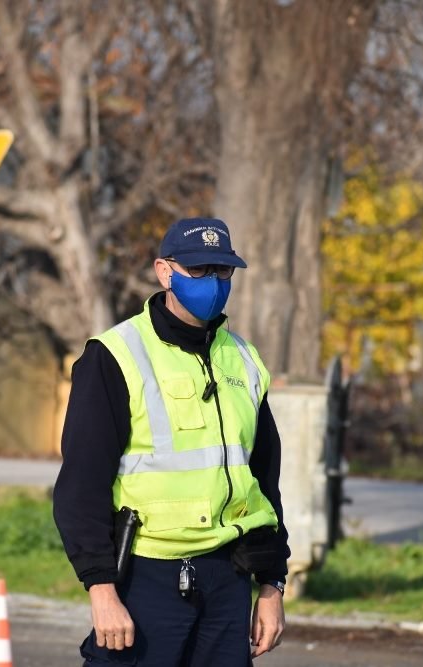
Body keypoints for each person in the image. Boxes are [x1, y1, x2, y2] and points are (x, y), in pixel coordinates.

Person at [53, 217, 291, 666]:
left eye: (224, 272)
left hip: (228, 579)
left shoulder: (243, 359)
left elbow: (264, 483)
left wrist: (271, 583)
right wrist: (102, 591)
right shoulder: (114, 355)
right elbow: (80, 486)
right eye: (199, 271)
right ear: (165, 272)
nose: (214, 283)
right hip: (146, 579)